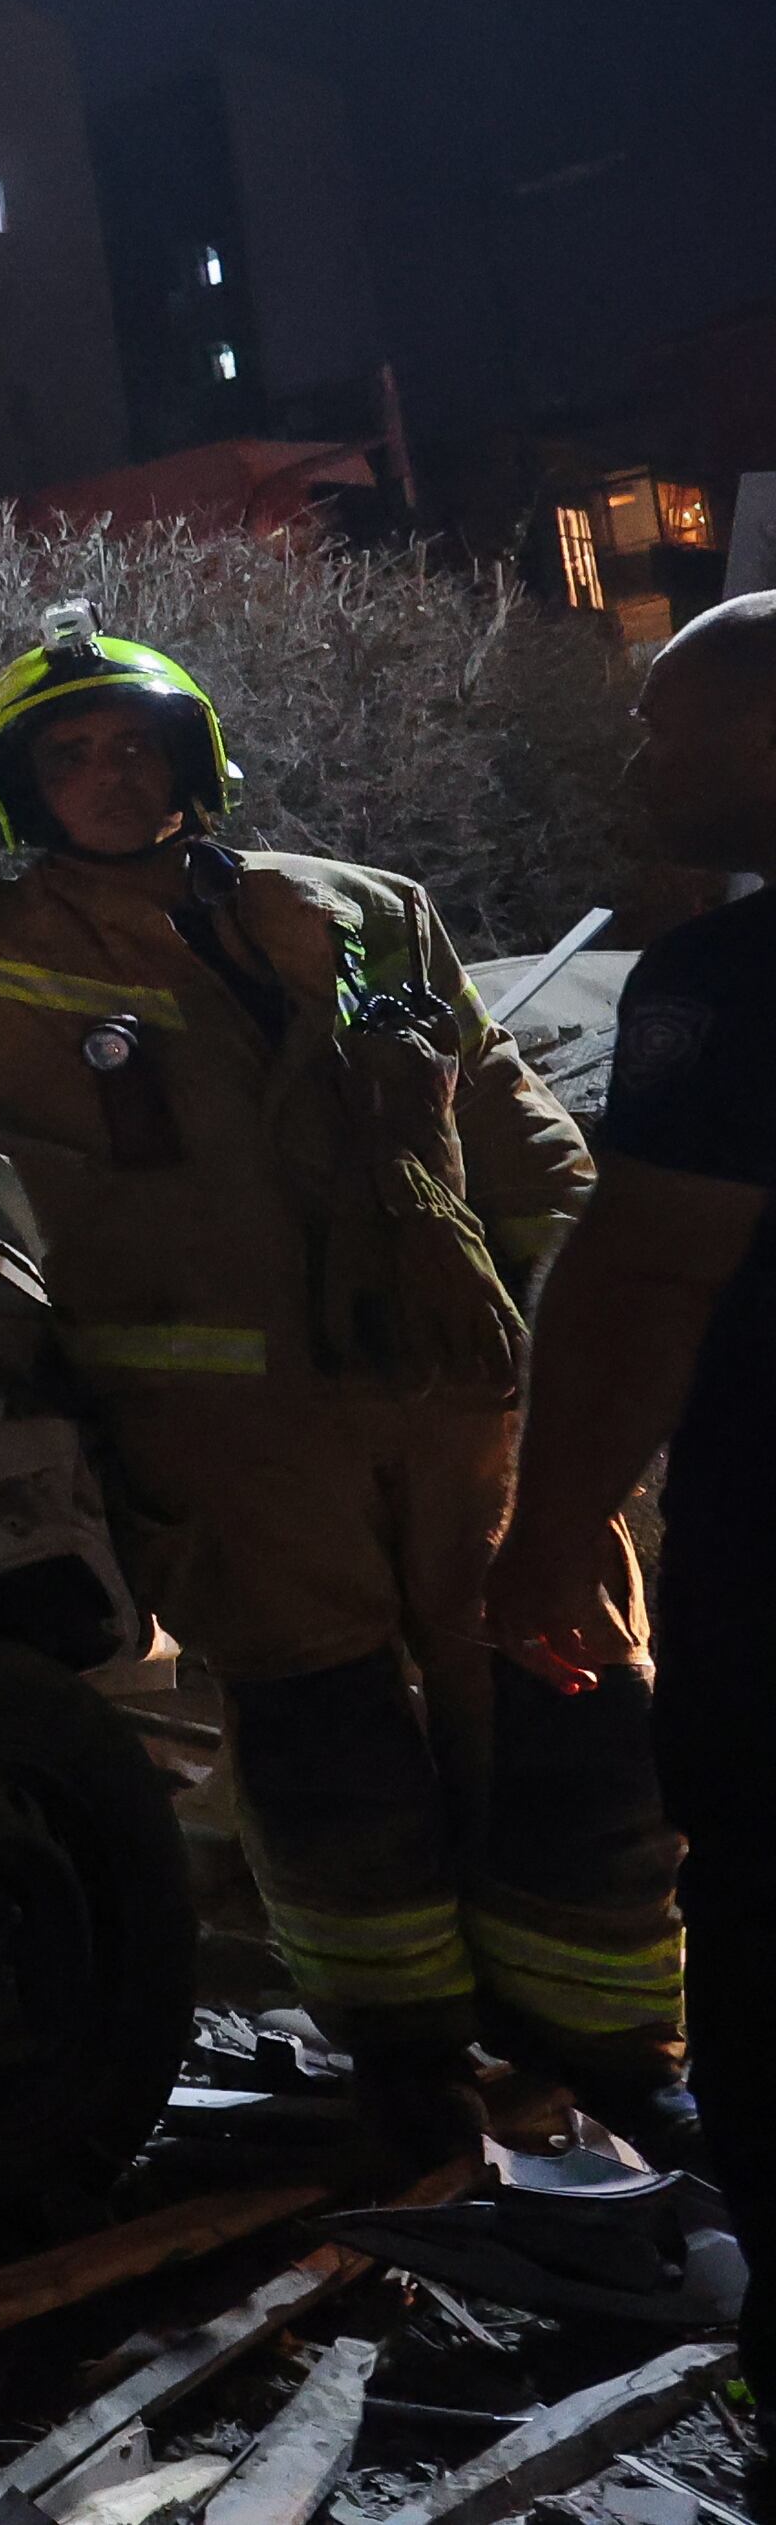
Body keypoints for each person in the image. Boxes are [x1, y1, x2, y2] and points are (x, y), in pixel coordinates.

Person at [0, 602, 685, 2154]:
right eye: (69, 754)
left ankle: (617, 2044)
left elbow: (512, 1133)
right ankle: (409, 2059)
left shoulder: (368, 910)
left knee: (571, 1699)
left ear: (193, 753)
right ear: (24, 788)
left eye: (134, 742)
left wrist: (615, 1338)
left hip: (466, 1407)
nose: (108, 773)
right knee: (327, 1741)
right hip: (230, 1438)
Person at [490, 588, 776, 2219]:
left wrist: (548, 1528)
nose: (640, 753)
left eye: (672, 722)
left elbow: (646, 1276)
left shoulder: (732, 981)